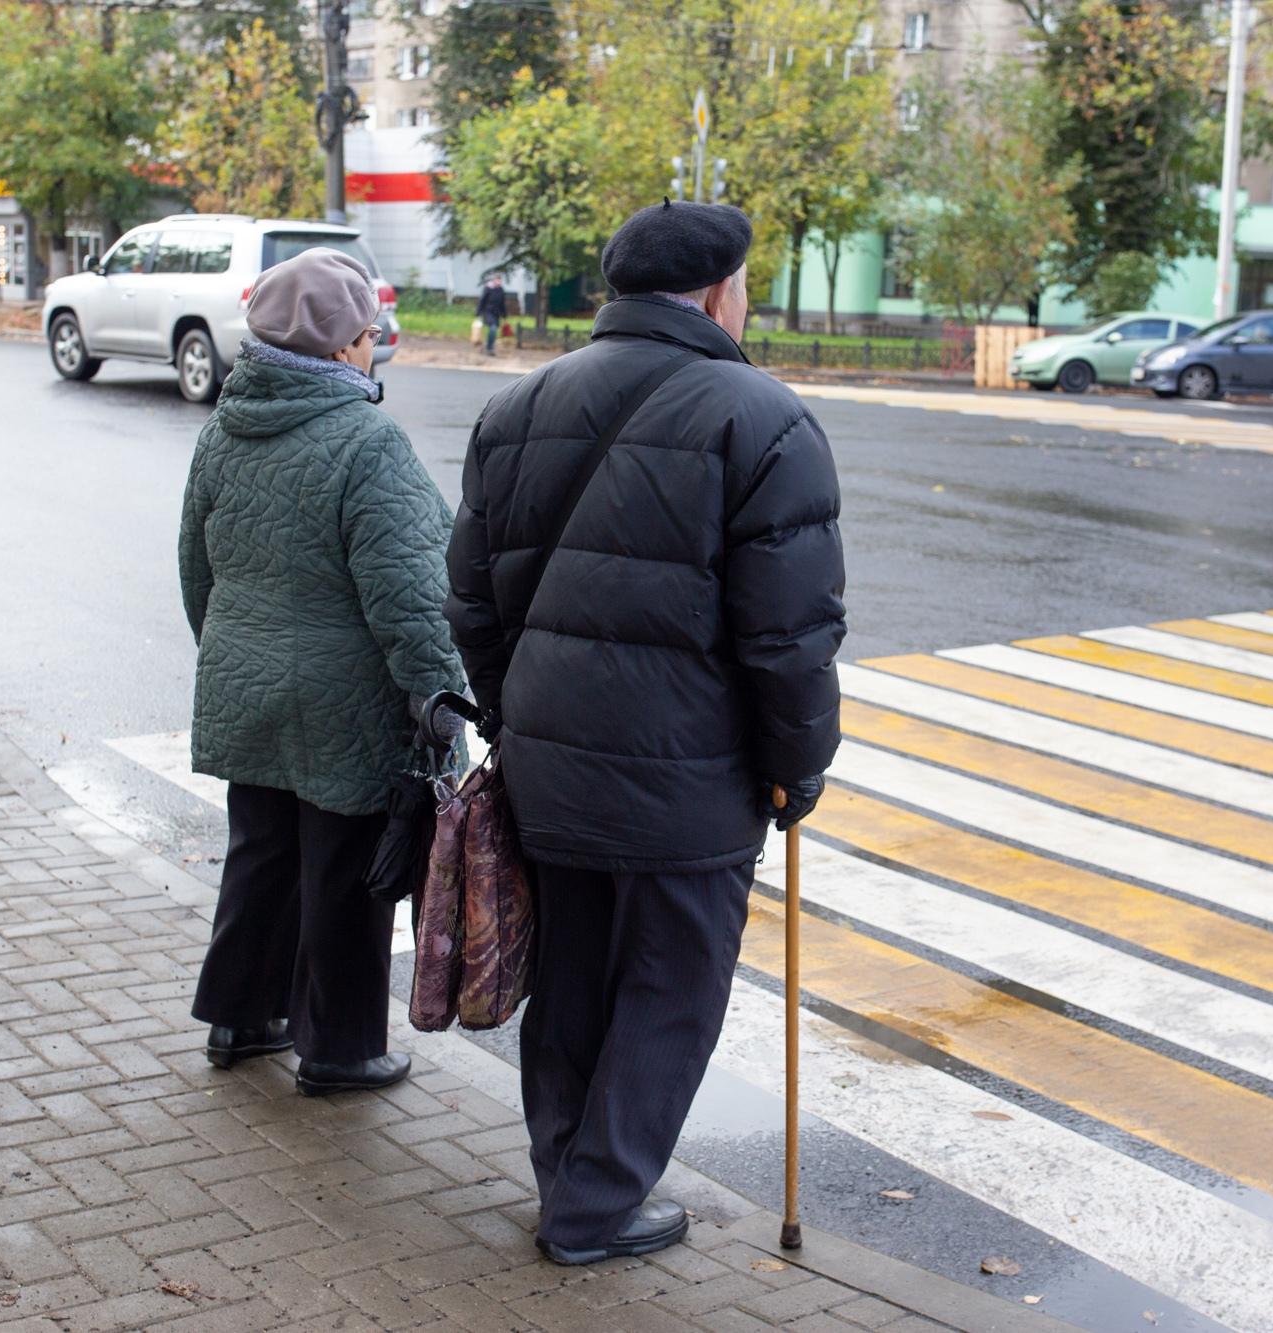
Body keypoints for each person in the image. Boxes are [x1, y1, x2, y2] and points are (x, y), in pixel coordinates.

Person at [445, 201, 846, 1264]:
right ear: (719, 290)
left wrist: (515, 720)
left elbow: (472, 606)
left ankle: (567, 1175)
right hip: (691, 779)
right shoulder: (763, 417)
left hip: (547, 764)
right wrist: (795, 768)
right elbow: (788, 639)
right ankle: (594, 1207)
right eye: (746, 283)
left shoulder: (517, 407)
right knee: (670, 989)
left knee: (571, 979)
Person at [179, 246, 464, 1096]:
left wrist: (233, 653)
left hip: (246, 683)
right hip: (344, 703)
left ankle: (240, 1017)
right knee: (345, 875)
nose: (375, 346)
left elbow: (198, 570)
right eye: (370, 333)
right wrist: (441, 697)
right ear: (342, 348)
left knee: (260, 856)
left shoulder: (224, 427)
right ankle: (339, 1050)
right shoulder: (368, 440)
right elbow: (413, 594)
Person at [475, 274, 508, 356]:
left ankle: (488, 346)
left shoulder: (501, 290)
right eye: (497, 280)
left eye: (500, 280)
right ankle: (489, 348)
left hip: (496, 314)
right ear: (494, 280)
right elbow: (482, 301)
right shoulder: (488, 288)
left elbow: (502, 304)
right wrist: (478, 312)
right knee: (493, 328)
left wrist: (504, 316)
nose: (499, 282)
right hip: (487, 312)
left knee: (494, 330)